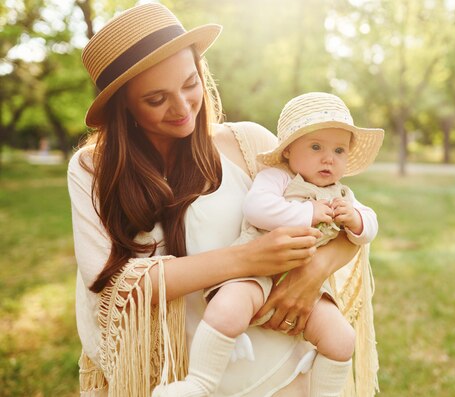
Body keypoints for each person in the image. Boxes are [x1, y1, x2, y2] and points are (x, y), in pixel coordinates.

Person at [68, 4, 375, 396]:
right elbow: (114, 287)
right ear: (123, 105)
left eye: (190, 83)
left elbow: (344, 225)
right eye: (156, 99)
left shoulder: (249, 143)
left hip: (283, 372)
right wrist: (247, 259)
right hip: (182, 380)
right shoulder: (94, 169)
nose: (182, 108)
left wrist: (310, 276)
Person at [156, 92, 384, 397]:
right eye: (316, 147)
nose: (328, 158)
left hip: (305, 282)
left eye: (339, 150)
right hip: (257, 271)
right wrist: (308, 212)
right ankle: (199, 383)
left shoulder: (341, 195)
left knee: (342, 338)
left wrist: (355, 218)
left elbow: (370, 225)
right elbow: (257, 208)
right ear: (289, 151)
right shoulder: (278, 178)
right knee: (227, 310)